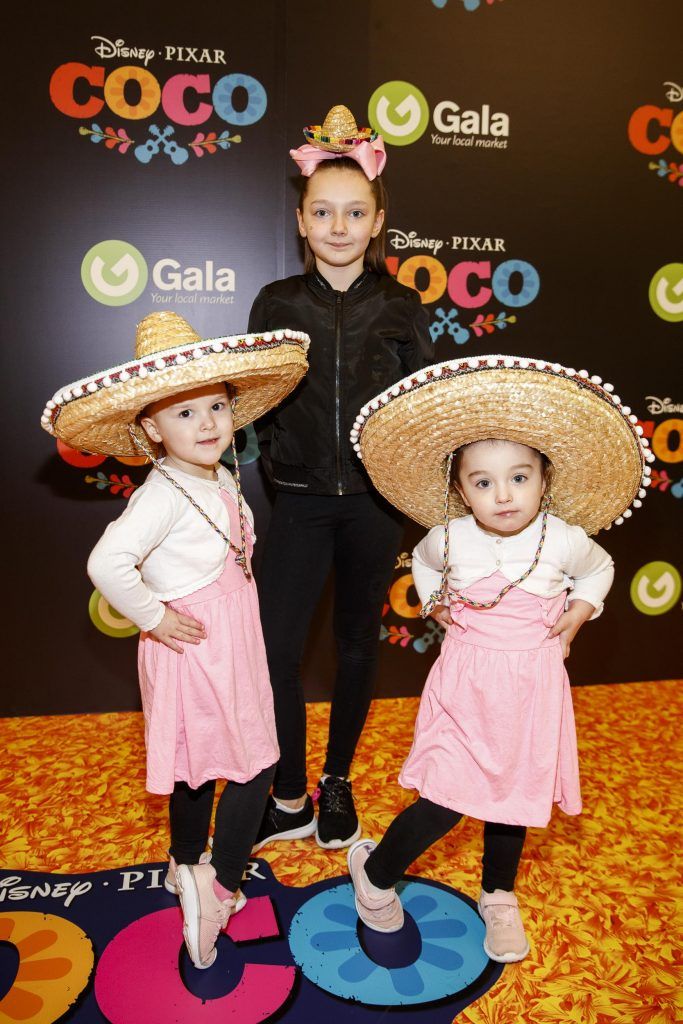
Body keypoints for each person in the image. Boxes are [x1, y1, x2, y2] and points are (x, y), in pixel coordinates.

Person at [345, 353, 649, 962]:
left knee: (514, 799)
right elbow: (426, 565)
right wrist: (433, 601)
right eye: (482, 482)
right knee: (446, 798)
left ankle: (499, 894)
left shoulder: (564, 538)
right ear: (460, 491)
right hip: (465, 684)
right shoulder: (450, 537)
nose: (503, 494)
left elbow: (603, 568)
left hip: (533, 688)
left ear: (544, 479)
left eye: (519, 476)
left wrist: (578, 613)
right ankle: (375, 874)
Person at [40, 311, 308, 970]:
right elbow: (107, 564)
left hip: (226, 637)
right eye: (184, 414)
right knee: (253, 764)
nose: (209, 423)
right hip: (196, 645)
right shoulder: (159, 494)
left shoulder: (218, 475)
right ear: (151, 430)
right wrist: (153, 616)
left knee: (196, 763)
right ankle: (218, 890)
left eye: (216, 406)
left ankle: (182, 864)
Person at [247, 105, 433, 852]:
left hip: (371, 507)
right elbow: (251, 403)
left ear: (377, 220)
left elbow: (422, 404)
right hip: (293, 504)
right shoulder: (276, 302)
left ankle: (336, 783)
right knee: (277, 653)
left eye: (354, 212)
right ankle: (288, 792)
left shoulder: (398, 304)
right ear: (300, 219)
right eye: (322, 212)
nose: (337, 225)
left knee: (358, 643)